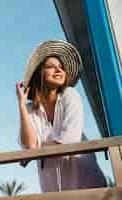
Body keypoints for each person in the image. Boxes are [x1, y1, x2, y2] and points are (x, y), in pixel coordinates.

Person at [16, 40, 106, 192]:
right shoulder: (30, 109)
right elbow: (29, 145)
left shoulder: (70, 95)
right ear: (39, 73)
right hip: (54, 190)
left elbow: (68, 143)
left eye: (61, 67)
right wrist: (21, 105)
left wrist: (36, 150)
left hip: (87, 186)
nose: (59, 70)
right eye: (51, 66)